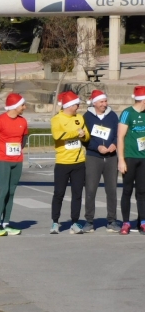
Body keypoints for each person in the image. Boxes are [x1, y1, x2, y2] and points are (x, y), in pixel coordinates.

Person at [0, 92, 28, 237]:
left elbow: (24, 140)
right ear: (15, 106)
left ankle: (6, 223)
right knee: (3, 190)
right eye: (22, 105)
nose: (24, 107)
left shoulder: (23, 121)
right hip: (3, 160)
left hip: (17, 161)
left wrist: (16, 152)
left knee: (11, 192)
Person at [49, 91, 90, 234]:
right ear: (69, 105)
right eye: (76, 104)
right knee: (59, 193)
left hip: (79, 162)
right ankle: (55, 222)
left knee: (77, 194)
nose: (78, 107)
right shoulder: (57, 119)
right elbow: (58, 135)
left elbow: (85, 135)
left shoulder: (79, 118)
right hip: (62, 163)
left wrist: (83, 135)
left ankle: (75, 222)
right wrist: (76, 133)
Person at [83, 89, 119, 233]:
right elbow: (84, 138)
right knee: (91, 189)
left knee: (112, 190)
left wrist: (114, 144)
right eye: (102, 102)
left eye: (105, 101)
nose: (105, 104)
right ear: (95, 103)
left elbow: (118, 133)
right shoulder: (87, 117)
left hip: (111, 157)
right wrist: (96, 147)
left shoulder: (112, 116)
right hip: (94, 157)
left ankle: (112, 220)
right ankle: (89, 221)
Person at [117, 86, 145, 235]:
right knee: (127, 190)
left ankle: (143, 222)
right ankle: (126, 222)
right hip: (129, 157)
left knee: (142, 191)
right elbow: (120, 137)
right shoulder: (127, 113)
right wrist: (121, 160)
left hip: (143, 158)